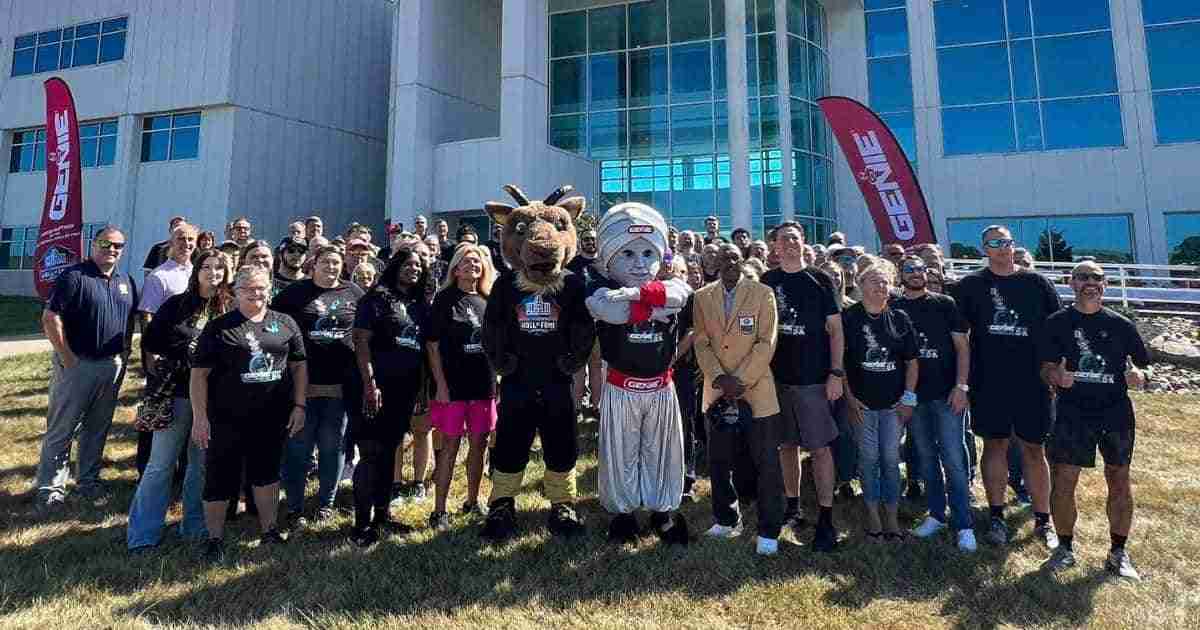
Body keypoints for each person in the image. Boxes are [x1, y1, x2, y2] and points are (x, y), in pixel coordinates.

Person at [479, 184, 594, 541]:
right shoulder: (506, 286)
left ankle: (563, 504)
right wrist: (502, 362)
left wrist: (573, 361)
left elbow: (583, 326)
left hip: (557, 380)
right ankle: (501, 503)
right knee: (511, 441)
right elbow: (492, 326)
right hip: (518, 381)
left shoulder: (573, 284)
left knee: (561, 442)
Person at [585, 203, 692, 544]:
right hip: (621, 387)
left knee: (662, 452)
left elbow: (678, 295)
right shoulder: (598, 286)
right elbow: (608, 309)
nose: (639, 262)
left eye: (648, 253)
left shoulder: (673, 285)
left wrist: (633, 295)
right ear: (609, 257)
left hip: (661, 388)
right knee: (622, 453)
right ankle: (623, 513)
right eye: (627, 253)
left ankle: (664, 512)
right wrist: (649, 306)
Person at [1040, 261, 1150, 579]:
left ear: (1105, 285)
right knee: (1064, 481)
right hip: (1073, 413)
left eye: (1098, 278)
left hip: (1115, 412)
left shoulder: (1121, 324)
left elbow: (1144, 365)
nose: (1091, 282)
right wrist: (1056, 376)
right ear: (1071, 283)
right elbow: (1045, 367)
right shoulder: (1056, 323)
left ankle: (1118, 553)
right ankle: (1064, 548)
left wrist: (1140, 376)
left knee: (1119, 481)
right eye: (1084, 277)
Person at [954, 225, 1061, 548]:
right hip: (989, 380)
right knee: (995, 445)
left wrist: (1054, 369)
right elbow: (959, 336)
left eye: (1007, 242)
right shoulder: (971, 286)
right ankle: (997, 516)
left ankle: (1043, 519)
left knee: (1033, 448)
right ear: (984, 248)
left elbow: (1057, 329)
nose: (1002, 248)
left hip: (1032, 381)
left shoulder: (1036, 283)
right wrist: (963, 382)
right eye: (995, 243)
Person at [190, 266, 307, 562]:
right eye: (249, 289)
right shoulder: (220, 327)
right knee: (219, 477)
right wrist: (200, 417)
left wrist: (299, 404)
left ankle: (269, 530)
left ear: (270, 288)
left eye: (262, 288)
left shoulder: (286, 323)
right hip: (226, 418)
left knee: (266, 475)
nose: (257, 294)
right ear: (236, 292)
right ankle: (214, 538)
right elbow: (199, 375)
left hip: (271, 416)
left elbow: (298, 366)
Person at [127, 249, 233, 552]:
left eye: (219, 269)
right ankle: (143, 534)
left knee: (200, 466)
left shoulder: (230, 309)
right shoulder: (176, 306)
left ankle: (195, 526)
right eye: (207, 267)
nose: (213, 274)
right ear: (196, 271)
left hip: (215, 400)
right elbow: (151, 343)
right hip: (176, 396)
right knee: (161, 464)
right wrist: (171, 363)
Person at [35, 227, 138, 514]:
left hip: (111, 366)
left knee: (97, 428)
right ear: (94, 245)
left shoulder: (126, 281)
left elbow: (131, 321)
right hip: (77, 365)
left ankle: (88, 481)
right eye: (106, 243)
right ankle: (51, 489)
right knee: (62, 428)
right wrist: (67, 357)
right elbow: (50, 317)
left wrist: (126, 354)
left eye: (118, 245)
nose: (112, 249)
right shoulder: (74, 277)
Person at [692, 243, 784, 555]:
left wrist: (739, 380)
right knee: (719, 461)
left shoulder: (762, 293)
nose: (730, 262)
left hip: (756, 391)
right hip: (717, 390)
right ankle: (726, 519)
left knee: (767, 463)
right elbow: (701, 342)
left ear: (742, 260)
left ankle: (769, 530)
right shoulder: (702, 297)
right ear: (714, 262)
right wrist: (719, 377)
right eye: (723, 257)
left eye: (735, 257)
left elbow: (766, 341)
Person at [762, 221, 845, 552]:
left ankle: (826, 516)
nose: (790, 243)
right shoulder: (768, 282)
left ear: (803, 242)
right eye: (784, 239)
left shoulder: (821, 279)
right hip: (778, 379)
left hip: (814, 380)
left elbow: (836, 331)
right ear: (775, 247)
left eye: (795, 238)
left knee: (821, 448)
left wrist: (836, 373)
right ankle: (792, 506)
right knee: (786, 446)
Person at [273, 245, 365, 526]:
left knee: (332, 448)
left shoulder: (354, 293)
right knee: (298, 450)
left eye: (337, 262)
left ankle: (326, 503)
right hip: (303, 389)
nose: (332, 267)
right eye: (326, 261)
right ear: (313, 264)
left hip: (340, 390)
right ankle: (295, 506)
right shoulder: (294, 294)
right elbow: (274, 327)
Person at [892, 256, 975, 552]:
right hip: (915, 398)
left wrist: (962, 386)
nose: (917, 273)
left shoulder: (944, 304)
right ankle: (937, 514)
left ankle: (964, 523)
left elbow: (962, 347)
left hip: (947, 394)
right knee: (926, 458)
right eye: (909, 270)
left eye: (920, 269)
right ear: (900, 275)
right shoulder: (895, 307)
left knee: (953, 459)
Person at [351, 247, 431, 546]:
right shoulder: (375, 298)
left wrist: (422, 392)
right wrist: (370, 385)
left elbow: (422, 353)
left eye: (420, 265)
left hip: (405, 390)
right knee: (371, 453)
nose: (414, 269)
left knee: (388, 452)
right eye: (409, 264)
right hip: (374, 389)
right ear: (395, 266)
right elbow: (361, 342)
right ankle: (361, 524)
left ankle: (382, 517)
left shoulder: (420, 305)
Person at [842, 261, 919, 543]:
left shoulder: (899, 318)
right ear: (860, 286)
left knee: (890, 459)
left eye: (885, 281)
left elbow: (911, 362)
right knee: (868, 458)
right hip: (861, 404)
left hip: (892, 405)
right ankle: (873, 516)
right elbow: (840, 362)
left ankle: (891, 517)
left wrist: (908, 397)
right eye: (873, 280)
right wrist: (849, 399)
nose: (880, 286)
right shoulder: (849, 317)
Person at [426, 244, 498, 530]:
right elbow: (432, 347)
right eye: (467, 262)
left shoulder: (487, 299)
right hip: (453, 388)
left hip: (484, 386)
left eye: (478, 262)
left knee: (479, 445)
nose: (473, 266)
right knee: (450, 447)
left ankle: (472, 500)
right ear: (455, 268)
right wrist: (440, 386)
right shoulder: (444, 300)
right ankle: (439, 510)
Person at [136, 223, 198, 477]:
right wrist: (151, 357)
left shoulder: (199, 272)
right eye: (181, 238)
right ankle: (146, 470)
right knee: (158, 416)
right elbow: (147, 316)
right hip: (166, 360)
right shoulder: (160, 276)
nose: (186, 243)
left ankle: (182, 473)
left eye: (191, 239)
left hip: (192, 361)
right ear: (170, 242)